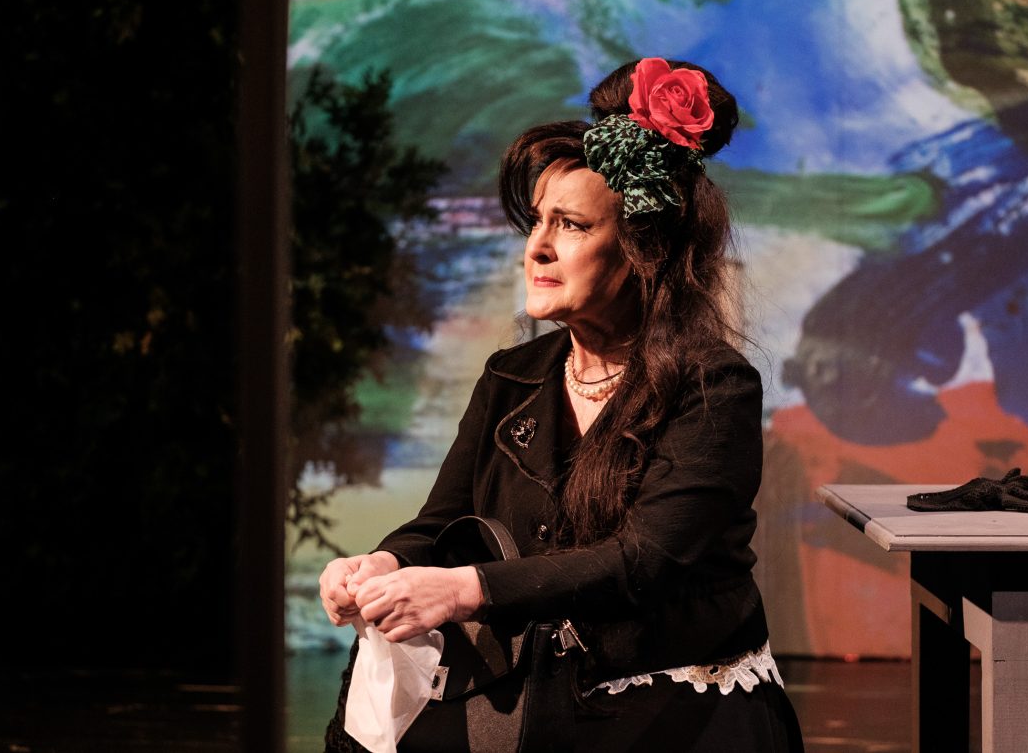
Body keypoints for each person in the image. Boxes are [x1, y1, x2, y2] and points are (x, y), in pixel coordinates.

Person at [320, 57, 804, 752]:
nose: (538, 248)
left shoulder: (713, 386)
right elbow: (439, 523)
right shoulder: (511, 376)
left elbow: (643, 561)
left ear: (641, 250)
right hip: (537, 702)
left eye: (571, 225)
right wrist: (384, 563)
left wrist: (465, 589)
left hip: (677, 714)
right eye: (536, 222)